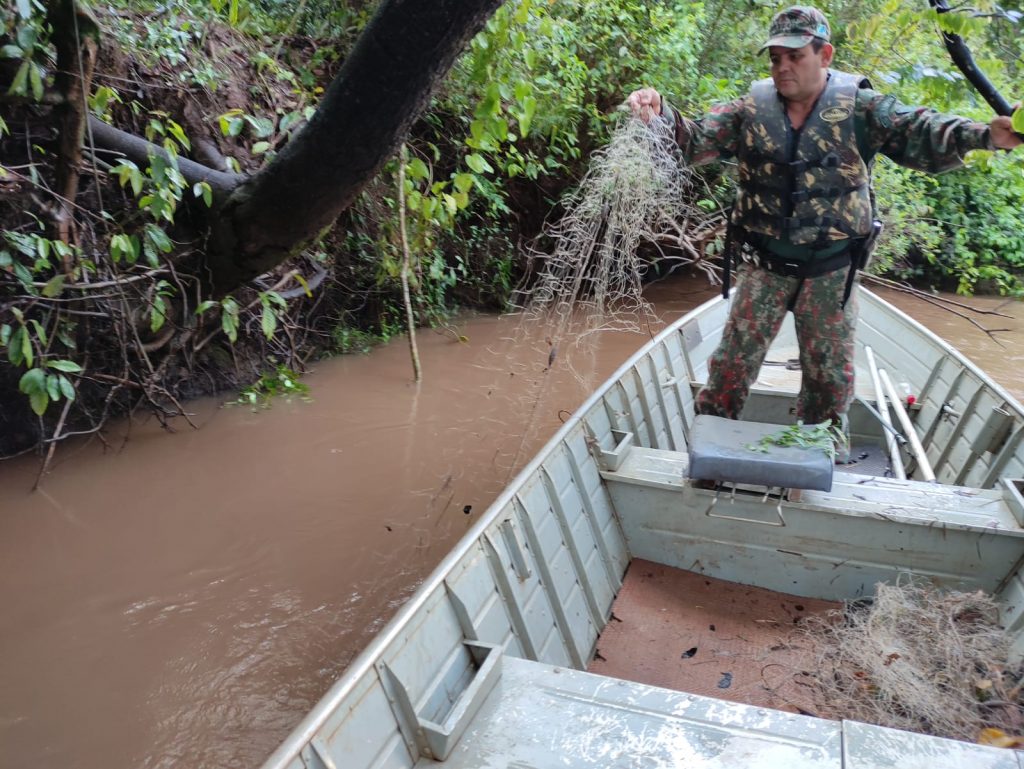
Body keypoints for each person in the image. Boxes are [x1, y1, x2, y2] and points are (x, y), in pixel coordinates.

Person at [628, 5, 1020, 454]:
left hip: (832, 272)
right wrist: (660, 113)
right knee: (729, 369)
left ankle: (819, 466)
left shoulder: (862, 107)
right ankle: (707, 451)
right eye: (776, 57)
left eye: (795, 55)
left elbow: (924, 131)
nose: (783, 66)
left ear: (825, 55)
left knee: (829, 383)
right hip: (765, 267)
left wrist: (986, 136)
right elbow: (694, 140)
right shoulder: (750, 110)